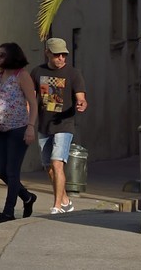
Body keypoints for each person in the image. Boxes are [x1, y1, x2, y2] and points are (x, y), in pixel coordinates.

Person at [0, 42, 38, 223]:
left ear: (11, 56)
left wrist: (30, 127)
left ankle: (8, 212)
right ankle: (27, 197)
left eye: (1, 55)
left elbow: (33, 103)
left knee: (12, 172)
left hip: (18, 129)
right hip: (0, 129)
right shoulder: (1, 74)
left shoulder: (22, 76)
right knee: (0, 170)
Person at [31, 36, 87, 213]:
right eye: (57, 55)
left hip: (64, 124)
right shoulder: (37, 72)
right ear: (47, 53)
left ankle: (57, 206)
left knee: (57, 164)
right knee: (48, 167)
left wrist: (81, 104)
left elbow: (81, 98)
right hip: (44, 126)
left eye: (64, 55)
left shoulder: (73, 73)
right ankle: (65, 201)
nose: (61, 58)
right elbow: (31, 99)